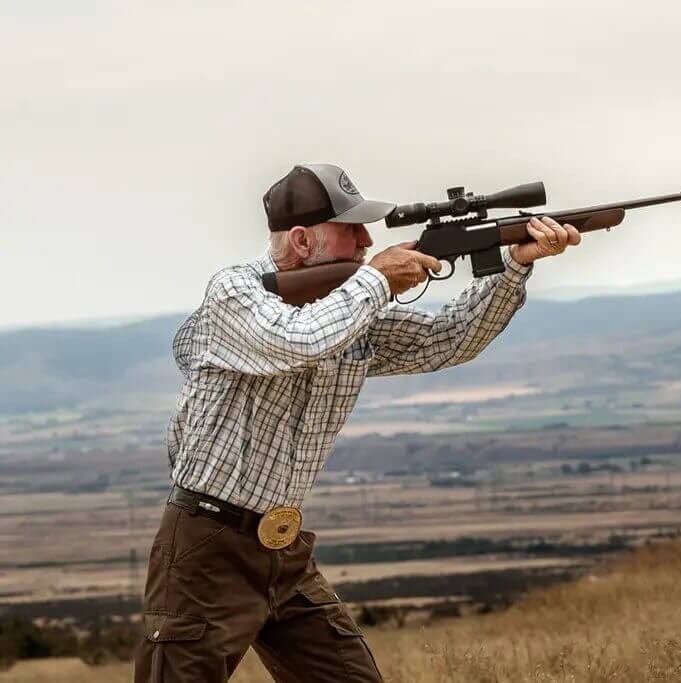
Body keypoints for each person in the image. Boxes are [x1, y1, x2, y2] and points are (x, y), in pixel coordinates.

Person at [132, 163, 581, 682]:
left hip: (283, 548)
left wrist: (514, 266)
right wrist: (377, 281)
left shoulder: (349, 307)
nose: (368, 241)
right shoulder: (234, 293)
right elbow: (300, 340)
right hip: (204, 547)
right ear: (302, 241)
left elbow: (447, 339)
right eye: (352, 230)